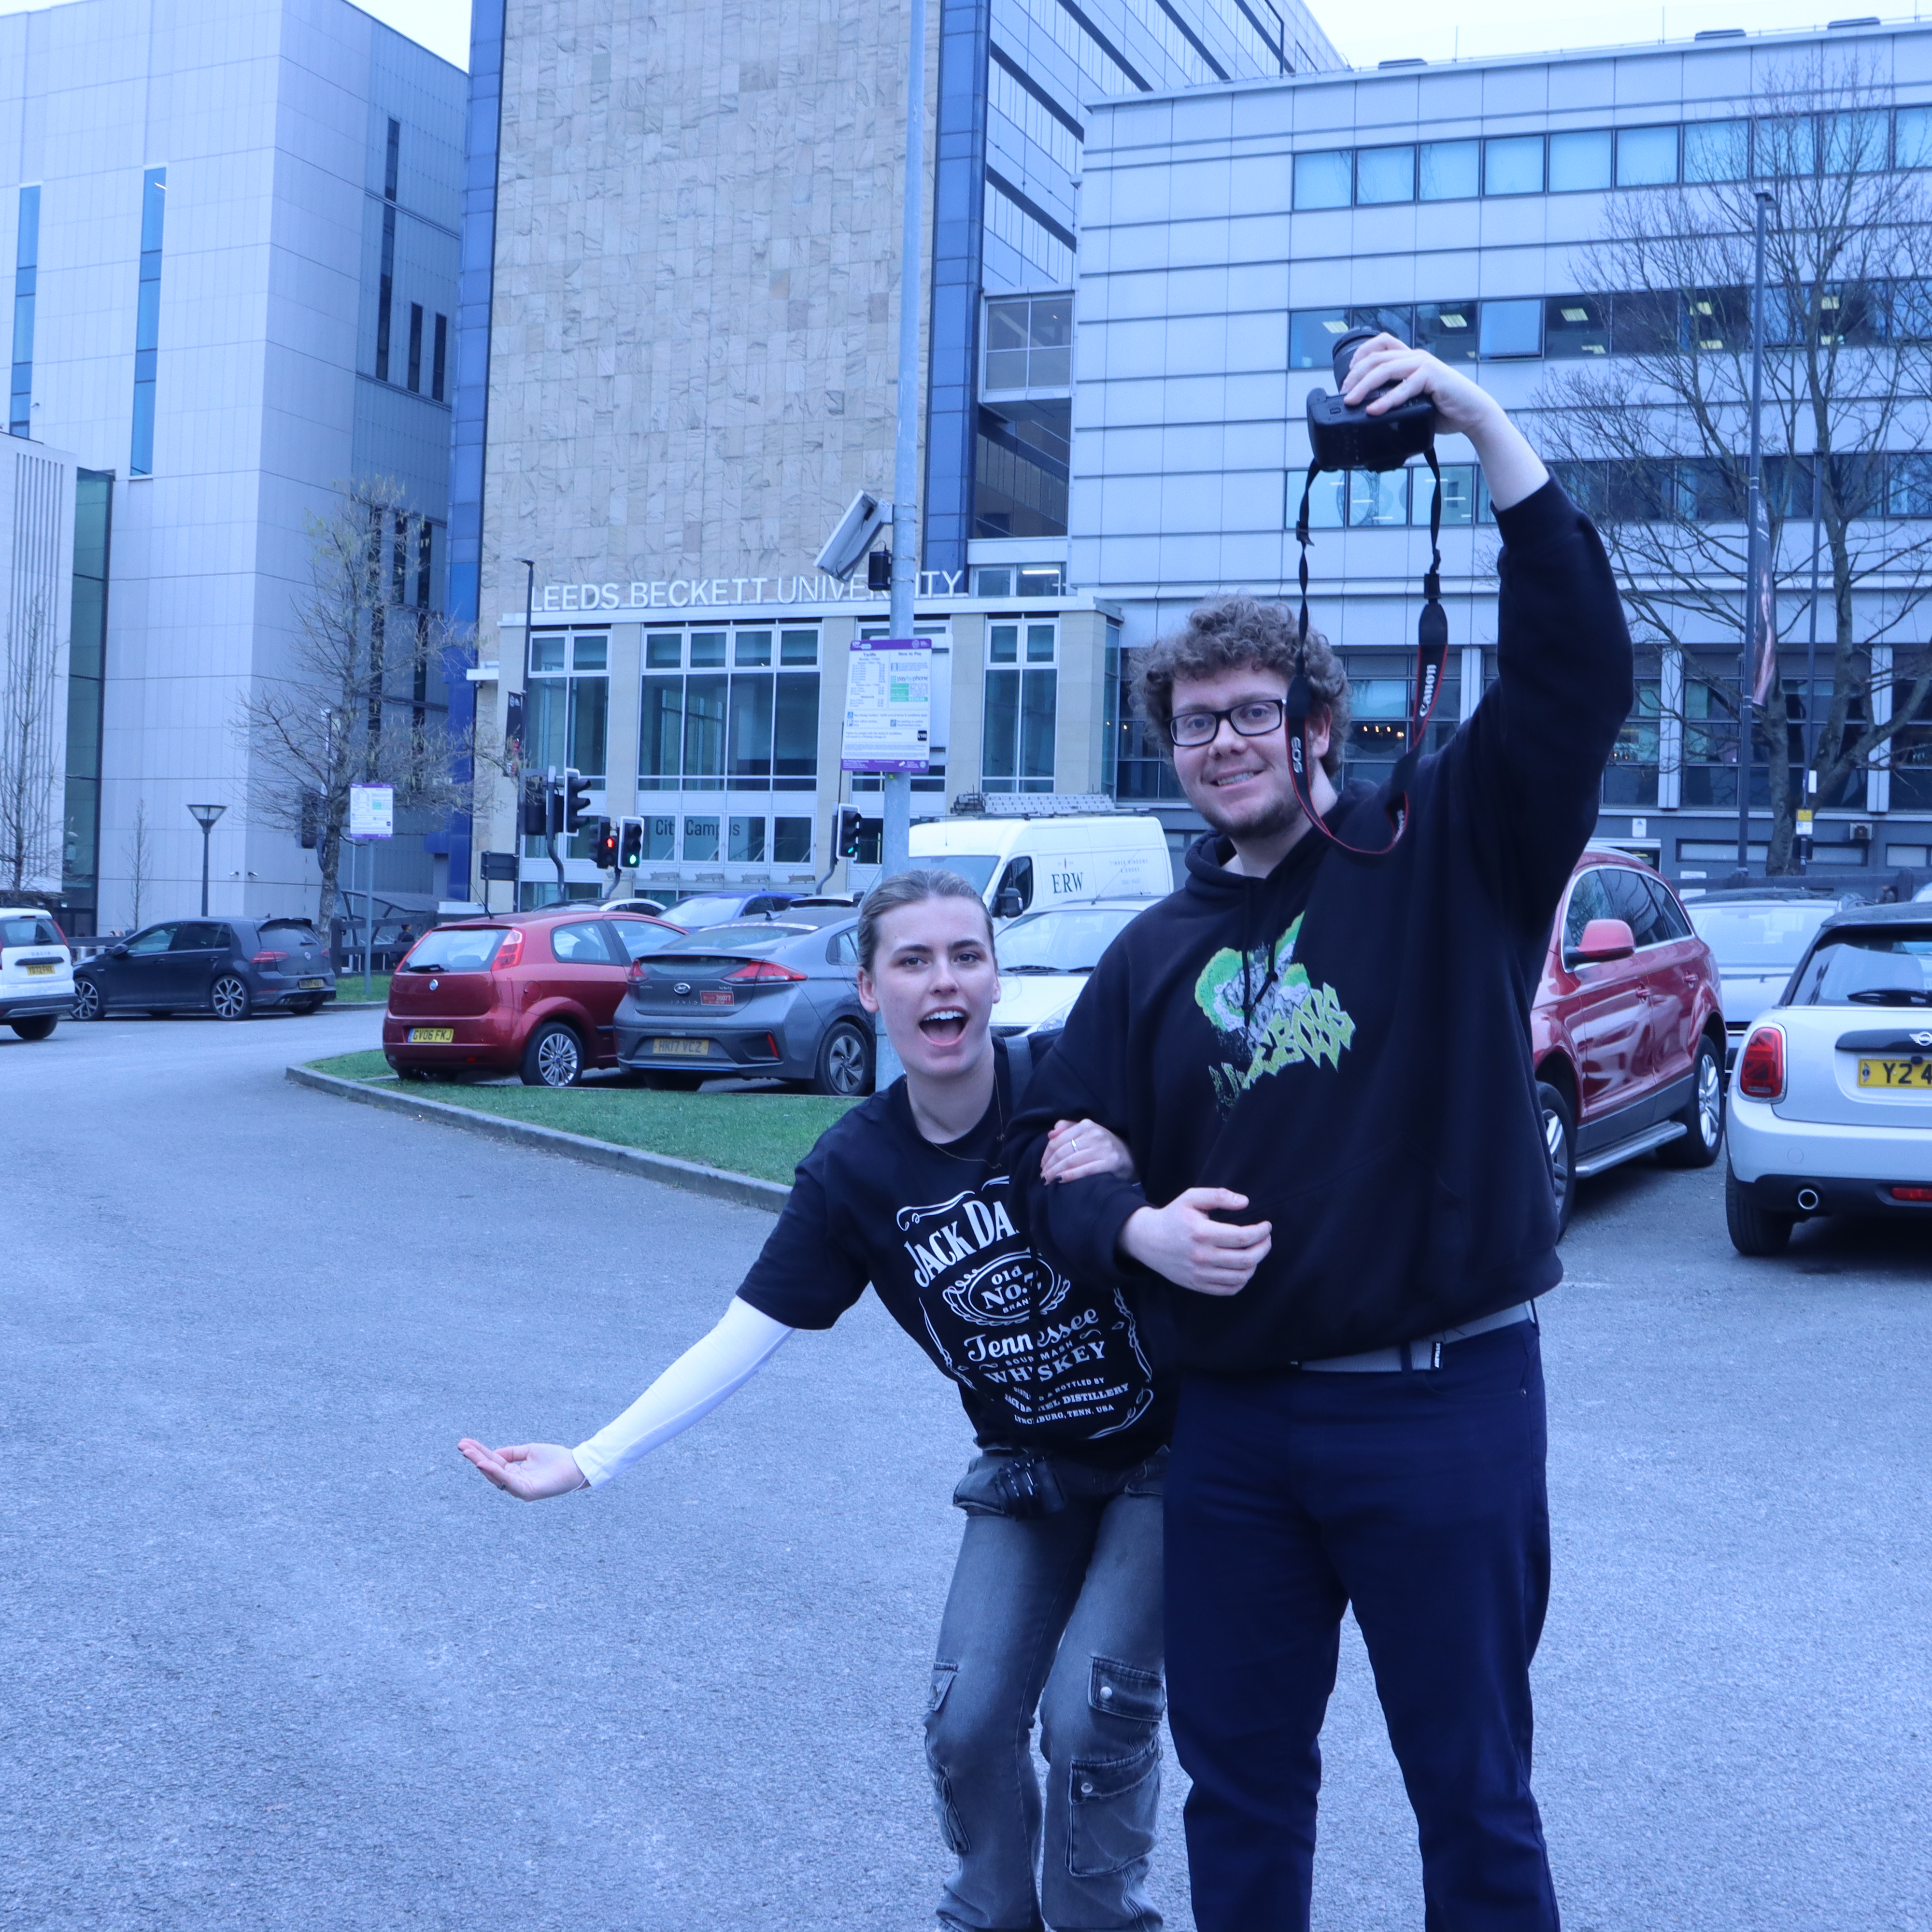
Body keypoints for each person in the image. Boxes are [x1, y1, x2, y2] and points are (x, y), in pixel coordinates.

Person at [1009, 337, 1634, 1932]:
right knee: (1244, 1796)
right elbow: (1059, 1150)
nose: (1222, 741)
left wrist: (1482, 420)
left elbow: (1574, 675)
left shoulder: (1447, 855)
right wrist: (1132, 1230)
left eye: (1252, 713)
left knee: (1473, 1797)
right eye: (1192, 723)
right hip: (1236, 1438)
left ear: (1318, 726)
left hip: (1446, 1408)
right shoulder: (1154, 953)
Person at [458, 868, 1176, 1932]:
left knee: (1090, 1715)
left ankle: (1099, 1922)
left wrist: (1128, 1153)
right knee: (966, 1724)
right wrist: (589, 1458)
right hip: (1032, 1470)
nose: (944, 980)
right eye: (913, 960)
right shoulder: (856, 1169)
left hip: (1167, 1462)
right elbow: (744, 1333)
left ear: (994, 974)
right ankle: (990, 1918)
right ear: (869, 987)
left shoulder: (1071, 1090)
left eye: (965, 956)